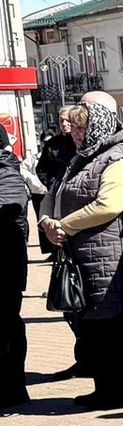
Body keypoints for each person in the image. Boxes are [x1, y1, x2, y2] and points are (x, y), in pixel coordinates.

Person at [42, 99, 123, 408]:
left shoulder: (120, 158)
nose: (75, 133)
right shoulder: (81, 158)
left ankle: (120, 390)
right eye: (73, 127)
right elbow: (54, 193)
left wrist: (65, 225)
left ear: (98, 126)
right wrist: (47, 222)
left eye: (82, 127)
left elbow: (109, 204)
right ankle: (105, 387)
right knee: (93, 324)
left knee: (111, 322)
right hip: (83, 254)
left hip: (110, 253)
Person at [1, 122, 35, 411]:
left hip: (6, 264)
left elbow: (8, 212)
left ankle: (13, 387)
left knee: (7, 324)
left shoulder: (9, 175)